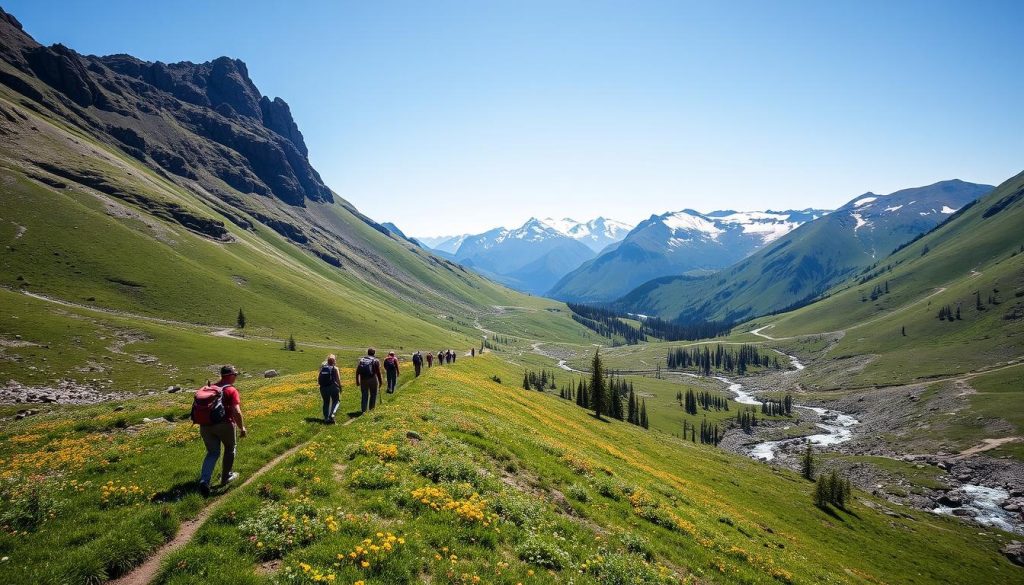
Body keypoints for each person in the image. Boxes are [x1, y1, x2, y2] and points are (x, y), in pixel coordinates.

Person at [197, 365, 246, 497]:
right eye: (235, 374)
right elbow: (236, 411)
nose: (236, 377)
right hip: (224, 424)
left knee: (212, 453)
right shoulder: (231, 390)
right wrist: (242, 428)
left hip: (205, 425)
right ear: (230, 375)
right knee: (230, 448)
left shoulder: (211, 388)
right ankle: (226, 477)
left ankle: (204, 480)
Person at [356, 348, 383, 413]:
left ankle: (363, 410)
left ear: (368, 353)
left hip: (363, 379)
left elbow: (357, 371)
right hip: (372, 379)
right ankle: (371, 409)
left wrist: (357, 380)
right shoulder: (376, 360)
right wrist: (380, 381)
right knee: (373, 394)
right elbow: (378, 372)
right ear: (374, 353)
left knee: (364, 395)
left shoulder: (362, 360)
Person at [317, 354, 342, 424]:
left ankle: (326, 419)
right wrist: (340, 387)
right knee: (336, 401)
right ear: (334, 361)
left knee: (326, 402)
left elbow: (319, 378)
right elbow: (338, 380)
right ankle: (332, 414)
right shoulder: (335, 368)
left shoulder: (322, 368)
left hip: (323, 388)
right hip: (333, 387)